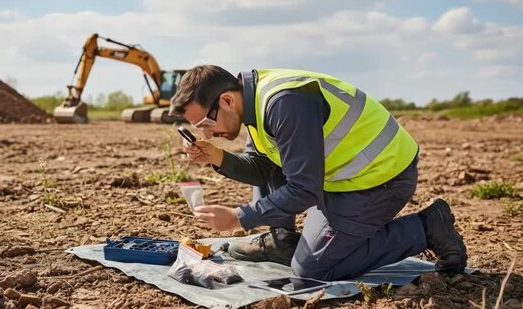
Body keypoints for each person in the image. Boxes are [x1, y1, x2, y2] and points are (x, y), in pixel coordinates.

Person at [169, 65, 467, 281]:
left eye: (207, 123)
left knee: (312, 270)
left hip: (380, 177)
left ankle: (426, 226)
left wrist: (240, 217)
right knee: (280, 177)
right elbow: (264, 171)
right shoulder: (254, 102)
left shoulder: (284, 104)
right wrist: (219, 156)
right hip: (343, 177)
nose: (208, 132)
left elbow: (303, 189)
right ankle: (282, 240)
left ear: (227, 101)